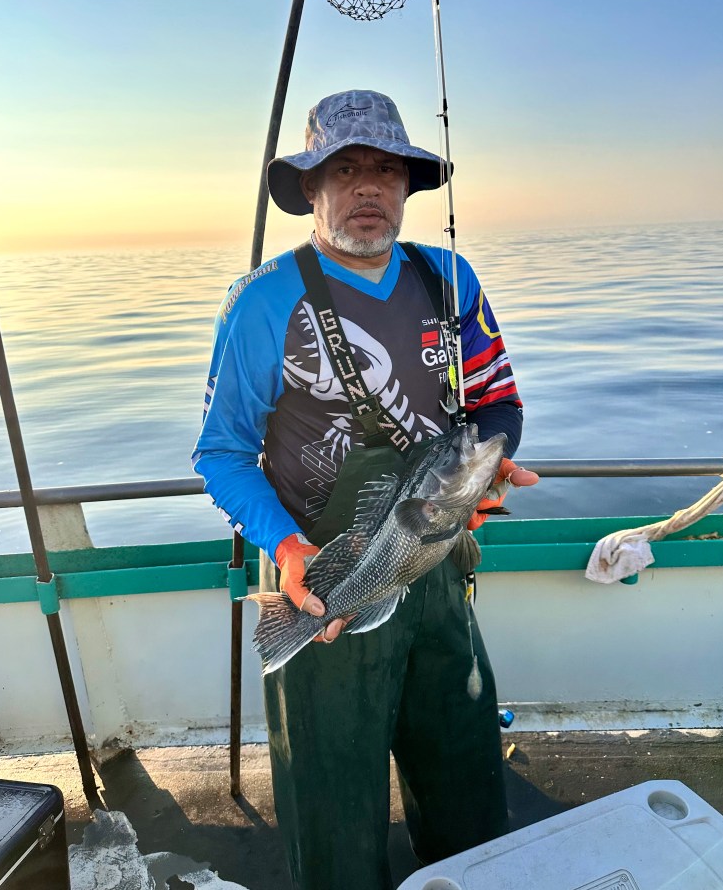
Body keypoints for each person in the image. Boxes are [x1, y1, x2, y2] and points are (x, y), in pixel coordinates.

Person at [192, 89, 538, 890]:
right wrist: (287, 549)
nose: (369, 189)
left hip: (439, 571)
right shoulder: (261, 302)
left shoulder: (449, 278)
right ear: (311, 189)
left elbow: (498, 404)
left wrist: (490, 469)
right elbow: (221, 455)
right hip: (318, 584)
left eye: (387, 169)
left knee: (465, 774)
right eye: (345, 170)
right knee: (333, 812)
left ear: (410, 186)